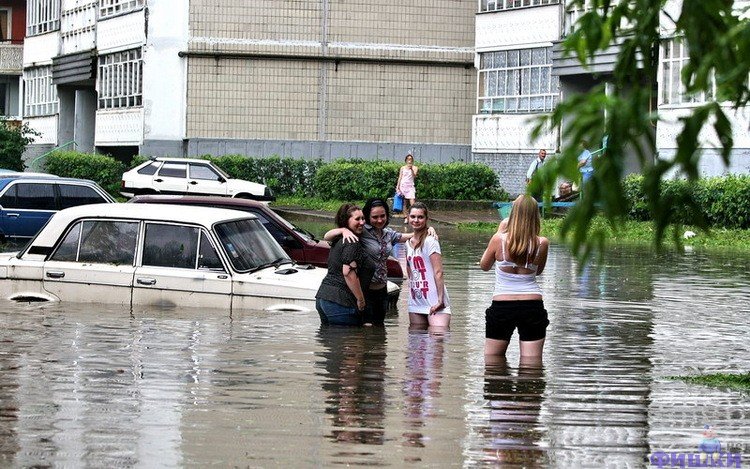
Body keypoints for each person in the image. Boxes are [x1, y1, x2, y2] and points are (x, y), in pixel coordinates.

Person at [324, 198, 436, 326]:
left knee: (379, 332)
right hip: (366, 289)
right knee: (364, 332)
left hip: (382, 289)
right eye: (375, 217)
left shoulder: (387, 234)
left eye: (382, 216)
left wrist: (427, 230)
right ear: (368, 216)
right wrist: (343, 230)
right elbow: (327, 236)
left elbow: (407, 236)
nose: (379, 220)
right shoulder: (361, 230)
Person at [479, 194, 550, 359]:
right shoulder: (542, 243)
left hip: (502, 305)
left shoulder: (499, 240)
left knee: (493, 361)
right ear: (535, 215)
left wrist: (498, 232)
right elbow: (537, 271)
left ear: (514, 213)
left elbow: (484, 266)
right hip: (532, 305)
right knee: (531, 364)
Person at [315, 203, 374, 326]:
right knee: (350, 342)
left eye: (363, 218)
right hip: (341, 301)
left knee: (334, 342)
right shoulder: (351, 242)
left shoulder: (338, 239)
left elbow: (326, 237)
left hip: (323, 298)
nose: (362, 222)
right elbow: (348, 272)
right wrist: (361, 299)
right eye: (357, 219)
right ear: (346, 221)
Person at [405, 202, 451, 329]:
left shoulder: (431, 241)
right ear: (408, 217)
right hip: (416, 300)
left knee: (437, 337)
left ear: (426, 219)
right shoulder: (407, 244)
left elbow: (438, 272)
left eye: (420, 217)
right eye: (413, 216)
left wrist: (440, 300)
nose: (416, 220)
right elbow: (410, 272)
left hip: (434, 299)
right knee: (416, 343)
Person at [396, 153, 419, 224]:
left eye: (411, 159)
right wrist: (397, 187)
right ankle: (406, 217)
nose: (410, 160)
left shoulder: (415, 167)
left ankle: (414, 217)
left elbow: (414, 176)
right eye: (408, 159)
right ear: (406, 160)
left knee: (413, 203)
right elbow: (400, 177)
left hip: (410, 187)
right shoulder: (402, 168)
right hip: (403, 186)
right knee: (404, 203)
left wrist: (411, 168)